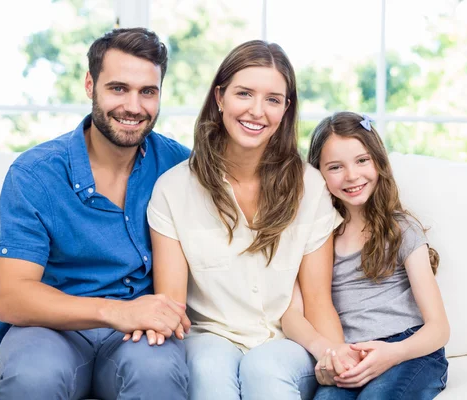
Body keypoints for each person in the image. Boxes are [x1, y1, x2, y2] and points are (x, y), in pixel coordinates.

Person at [0, 28, 191, 400]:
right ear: (90, 85)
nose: (134, 106)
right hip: (49, 328)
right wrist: (115, 312)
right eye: (118, 88)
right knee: (34, 379)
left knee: (158, 373)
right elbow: (11, 297)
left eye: (148, 92)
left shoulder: (178, 165)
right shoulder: (35, 173)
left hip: (137, 334)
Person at [129, 40, 345, 399]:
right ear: (220, 98)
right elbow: (172, 305)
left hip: (286, 341)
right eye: (244, 94)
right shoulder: (173, 189)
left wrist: (335, 361)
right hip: (207, 339)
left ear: (285, 109)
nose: (257, 111)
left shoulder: (311, 186)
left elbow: (318, 300)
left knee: (266, 369)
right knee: (209, 370)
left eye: (273, 99)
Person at [292, 111, 450, 399]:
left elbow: (439, 328)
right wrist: (328, 352)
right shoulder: (316, 237)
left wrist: (393, 352)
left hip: (409, 352)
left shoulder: (401, 229)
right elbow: (292, 313)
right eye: (336, 167)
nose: (352, 176)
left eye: (362, 160)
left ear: (378, 161)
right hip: (350, 354)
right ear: (318, 174)